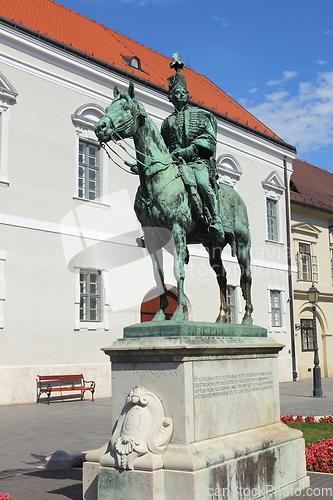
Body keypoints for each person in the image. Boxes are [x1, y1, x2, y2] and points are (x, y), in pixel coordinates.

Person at [161, 54, 224, 239]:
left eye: (182, 93)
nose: (179, 96)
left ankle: (215, 219)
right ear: (170, 97)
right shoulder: (167, 122)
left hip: (196, 161)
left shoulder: (201, 115)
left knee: (203, 183)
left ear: (188, 96)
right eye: (175, 93)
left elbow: (209, 139)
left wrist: (189, 150)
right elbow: (163, 147)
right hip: (175, 163)